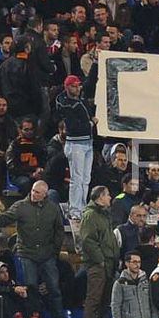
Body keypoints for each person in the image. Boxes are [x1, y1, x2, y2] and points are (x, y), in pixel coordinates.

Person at [0, 180, 66, 318]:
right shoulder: (20, 206)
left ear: (45, 195)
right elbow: (5, 218)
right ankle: (33, 317)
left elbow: (59, 230)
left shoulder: (53, 208)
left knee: (53, 287)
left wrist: (55, 249)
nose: (33, 194)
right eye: (32, 191)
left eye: (37, 192)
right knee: (30, 287)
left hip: (47, 254)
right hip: (27, 253)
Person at [55, 74, 96, 221]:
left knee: (86, 178)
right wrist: (90, 124)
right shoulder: (65, 103)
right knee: (76, 178)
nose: (77, 89)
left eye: (78, 86)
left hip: (87, 142)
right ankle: (74, 209)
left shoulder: (80, 99)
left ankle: (82, 207)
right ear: (67, 87)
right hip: (75, 143)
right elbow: (73, 126)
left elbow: (90, 82)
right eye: (74, 86)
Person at [78, 185, 119, 318]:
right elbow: (88, 240)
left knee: (104, 301)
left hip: (109, 264)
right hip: (98, 265)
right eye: (108, 195)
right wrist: (100, 260)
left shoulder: (104, 214)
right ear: (100, 196)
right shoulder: (90, 215)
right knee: (94, 300)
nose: (110, 198)